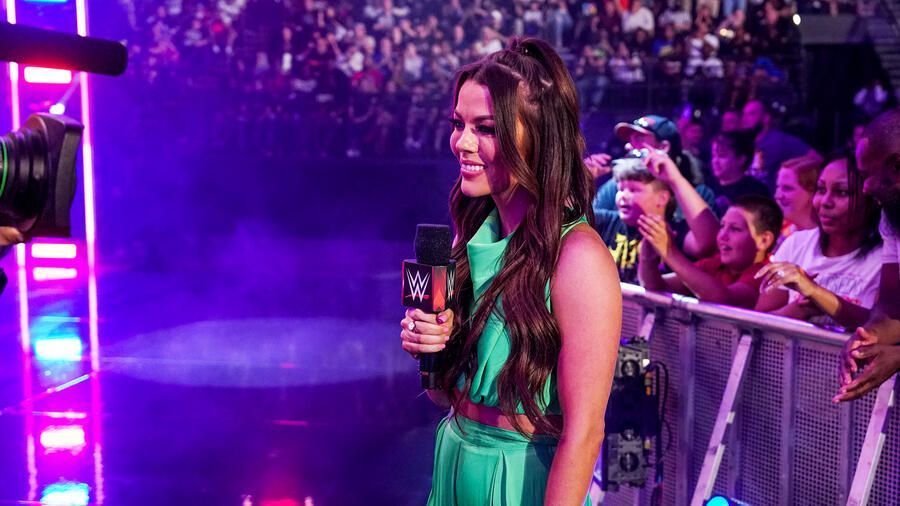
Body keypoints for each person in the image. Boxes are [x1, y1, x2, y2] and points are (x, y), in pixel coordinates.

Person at [399, 38, 622, 505]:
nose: (462, 143)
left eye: (486, 128)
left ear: (536, 136)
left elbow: (584, 434)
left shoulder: (578, 257)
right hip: (454, 454)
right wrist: (436, 346)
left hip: (522, 478)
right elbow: (444, 398)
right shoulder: (471, 235)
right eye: (458, 124)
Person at [755, 157, 883, 331]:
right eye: (821, 189)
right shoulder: (796, 244)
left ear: (871, 199)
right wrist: (800, 309)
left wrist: (815, 293)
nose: (825, 202)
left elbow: (881, 328)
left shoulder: (886, 257)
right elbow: (757, 322)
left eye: (842, 192)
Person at [836, 107, 900, 402]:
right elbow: (892, 306)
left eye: (867, 175)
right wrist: (869, 335)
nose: (864, 187)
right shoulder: (892, 216)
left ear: (897, 168)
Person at [595, 151, 719, 283]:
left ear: (662, 198)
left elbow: (708, 242)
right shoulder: (608, 222)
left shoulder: (673, 232)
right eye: (620, 189)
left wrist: (676, 180)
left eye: (633, 190)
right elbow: (571, 218)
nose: (623, 196)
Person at [639, 195, 780, 308]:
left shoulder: (766, 274)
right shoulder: (714, 264)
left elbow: (723, 300)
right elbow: (656, 286)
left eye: (735, 229)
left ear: (764, 241)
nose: (722, 236)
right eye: (722, 226)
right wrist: (649, 254)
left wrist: (669, 252)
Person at [708, 130, 771, 215]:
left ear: (741, 159)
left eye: (722, 155)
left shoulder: (756, 191)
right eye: (714, 155)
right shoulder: (707, 187)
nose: (715, 161)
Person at [774, 156, 820, 240]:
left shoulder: (824, 240)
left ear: (813, 192)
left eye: (787, 188)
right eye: (778, 187)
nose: (778, 195)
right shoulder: (779, 231)